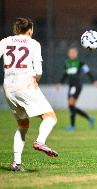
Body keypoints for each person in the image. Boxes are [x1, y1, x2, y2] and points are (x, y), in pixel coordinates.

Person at [0, 18, 58, 171]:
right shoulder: (33, 44)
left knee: (23, 125)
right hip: (26, 84)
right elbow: (38, 71)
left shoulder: (5, 41)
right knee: (50, 117)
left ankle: (17, 163)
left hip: (8, 88)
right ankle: (40, 141)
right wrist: (35, 80)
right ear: (30, 30)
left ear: (16, 29)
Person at [57, 47, 97, 131]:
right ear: (68, 54)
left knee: (71, 105)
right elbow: (65, 75)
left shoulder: (80, 63)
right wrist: (60, 83)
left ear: (76, 54)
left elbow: (88, 72)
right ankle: (89, 118)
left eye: (74, 52)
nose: (72, 54)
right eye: (71, 52)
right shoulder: (66, 63)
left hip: (77, 85)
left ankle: (72, 126)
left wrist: (94, 81)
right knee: (71, 106)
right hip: (71, 86)